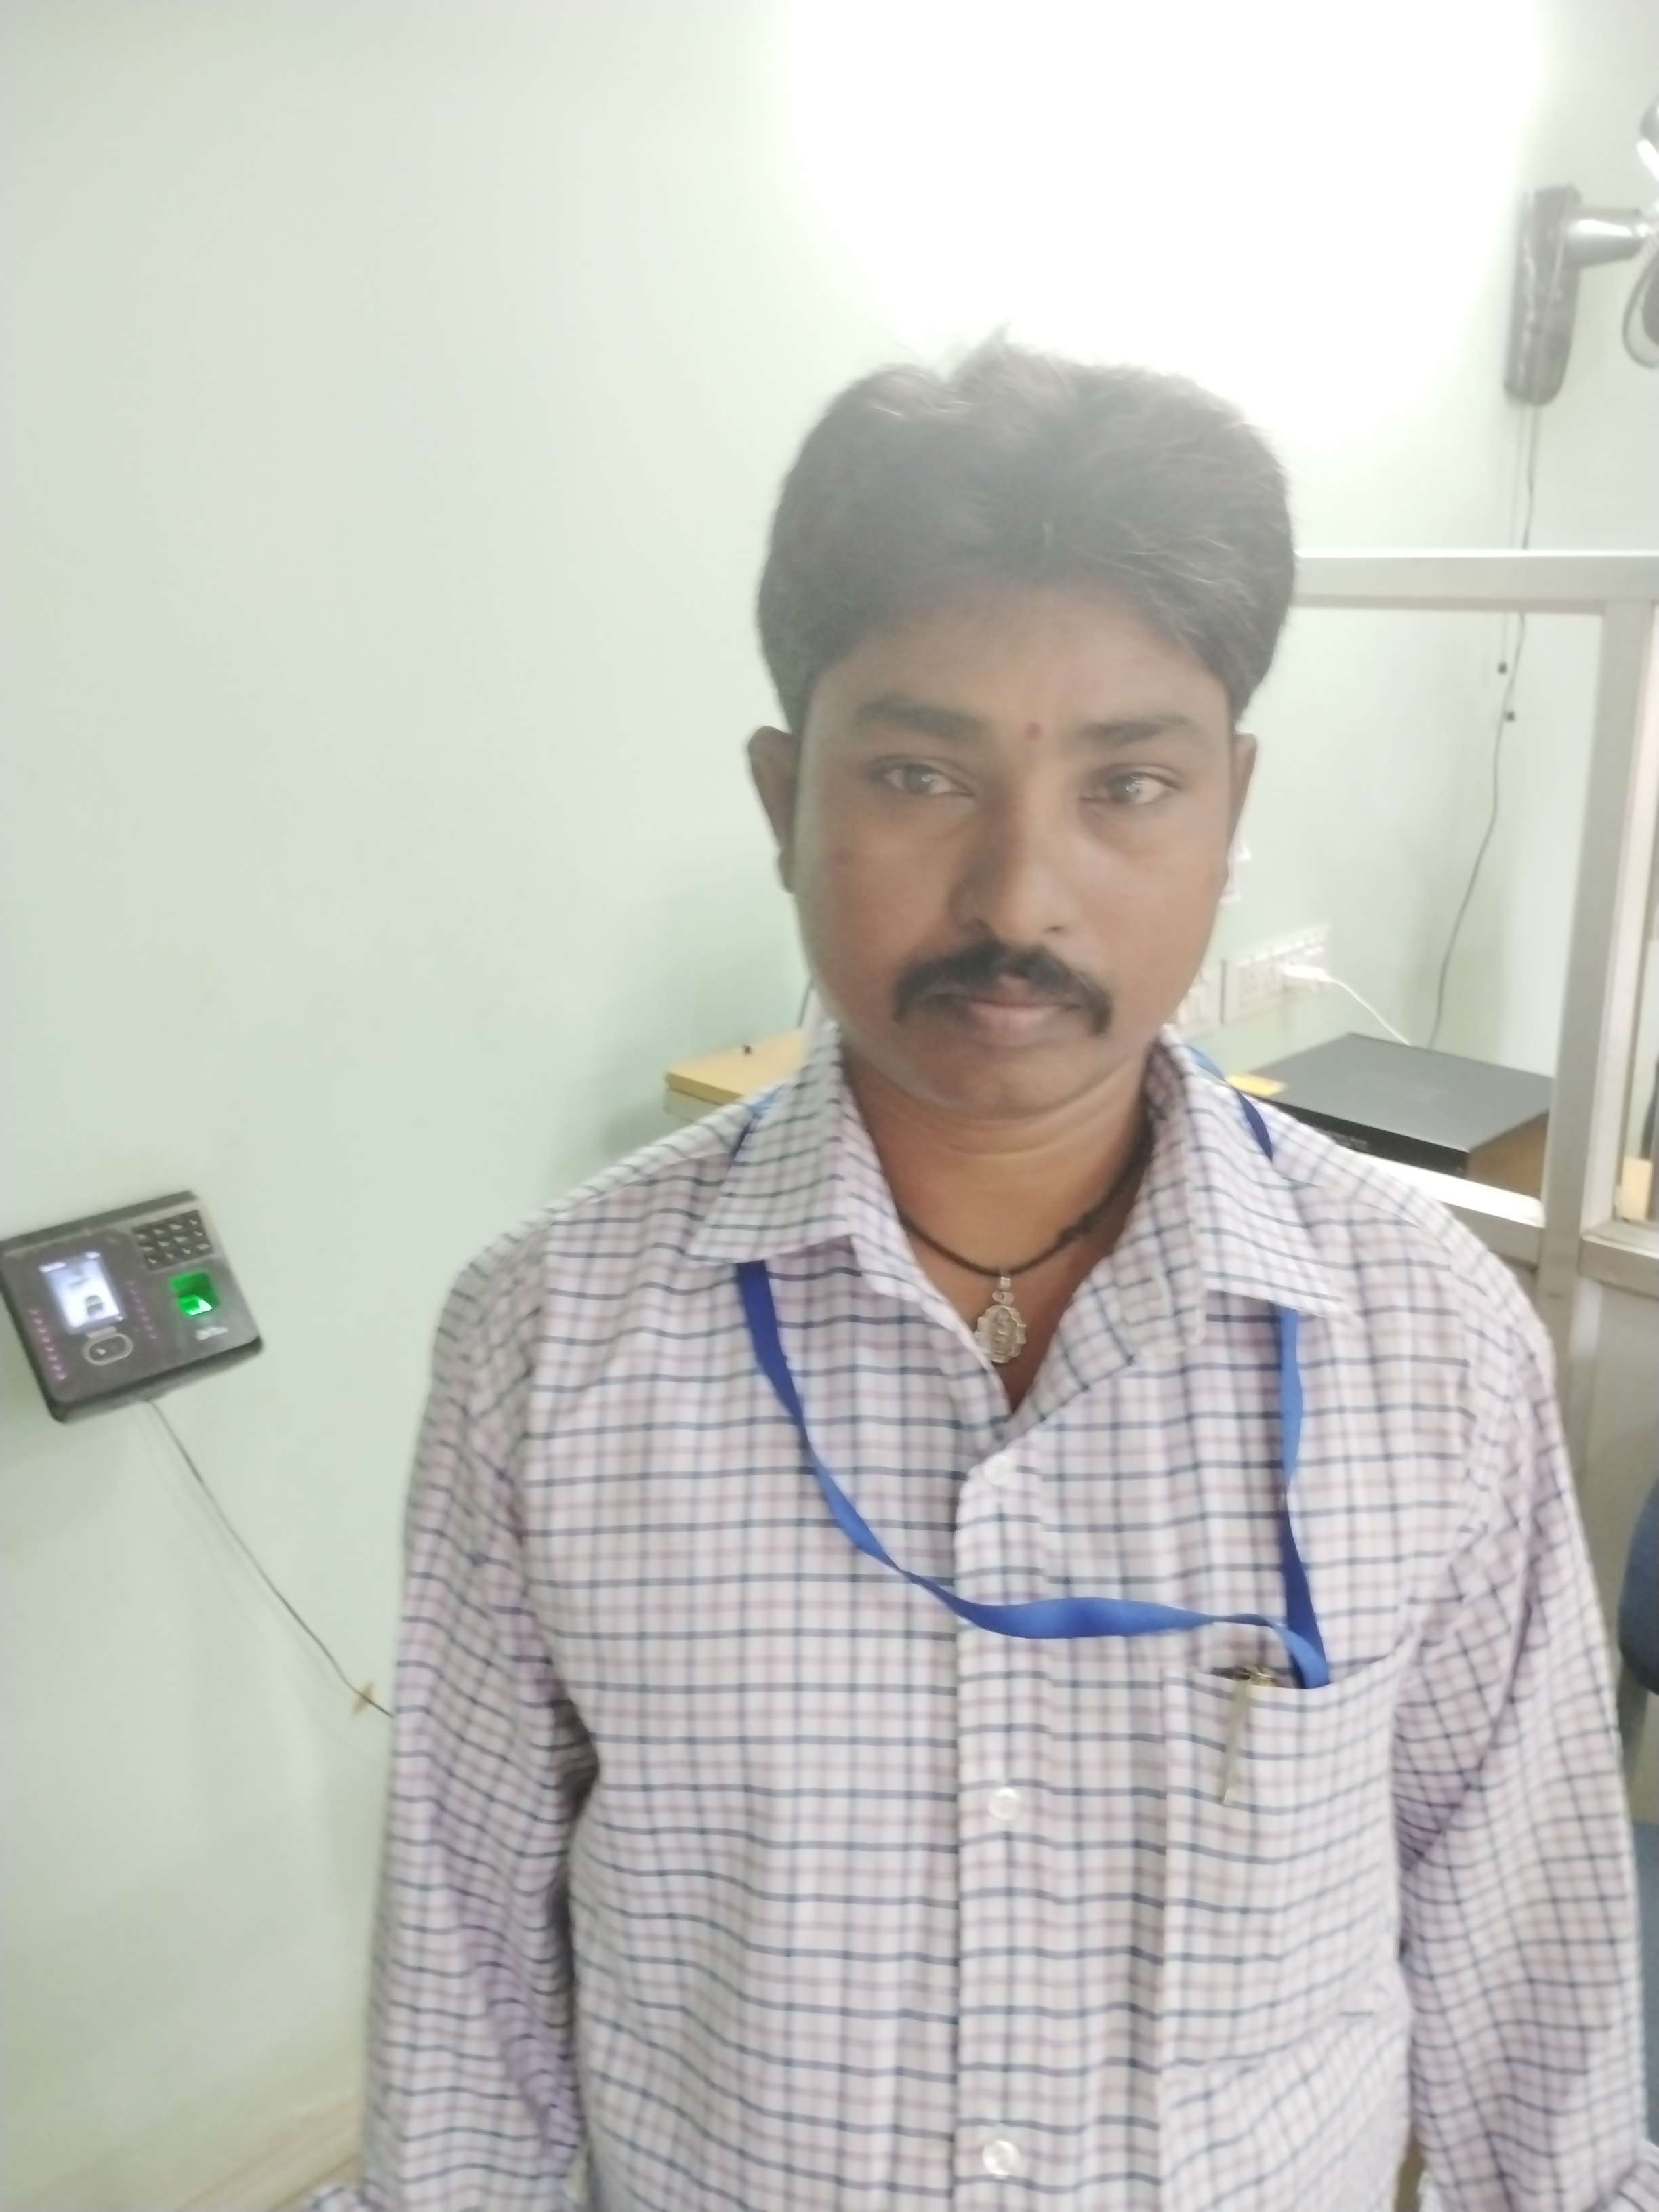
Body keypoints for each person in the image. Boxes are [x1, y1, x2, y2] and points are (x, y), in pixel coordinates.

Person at [317, 341, 1659, 2209]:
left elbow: (1530, 1986)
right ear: (784, 795)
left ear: (1229, 807)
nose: (1020, 896)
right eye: (920, 774)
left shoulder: (1428, 1341)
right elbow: (468, 1994)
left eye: (1130, 785)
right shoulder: (552, 1342)